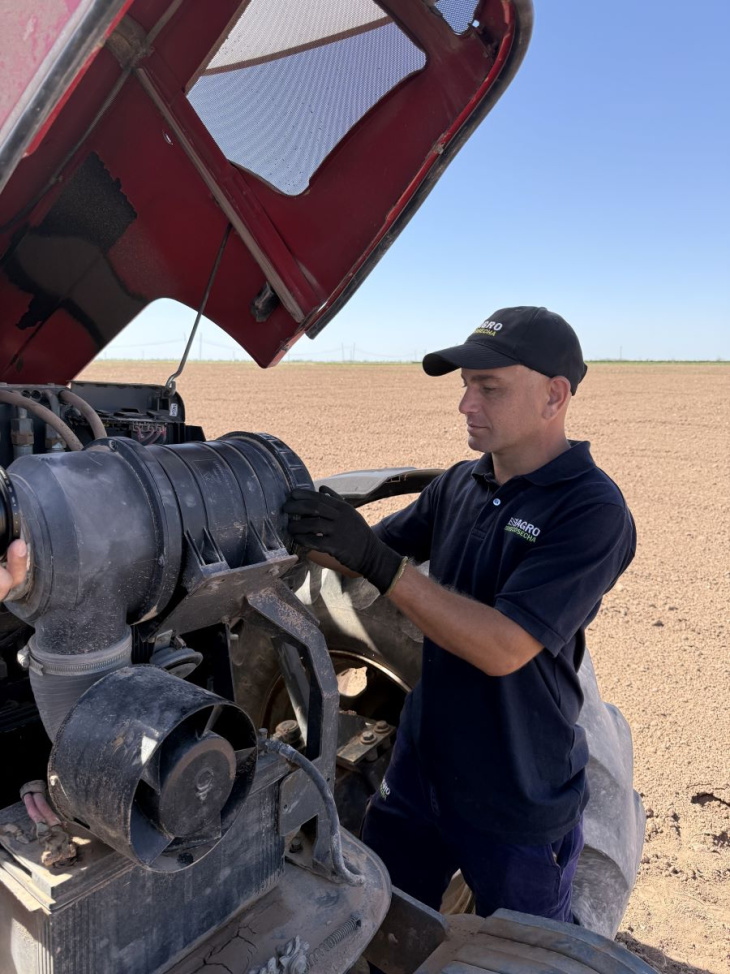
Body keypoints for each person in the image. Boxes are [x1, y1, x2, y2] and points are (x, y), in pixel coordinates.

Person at [284, 306, 636, 923]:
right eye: (467, 385)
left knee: (525, 952)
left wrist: (378, 563)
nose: (465, 404)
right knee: (386, 924)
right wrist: (295, 525)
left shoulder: (591, 510)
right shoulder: (459, 485)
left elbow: (504, 647)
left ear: (554, 396)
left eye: (489, 388)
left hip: (516, 793)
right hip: (420, 770)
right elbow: (357, 555)